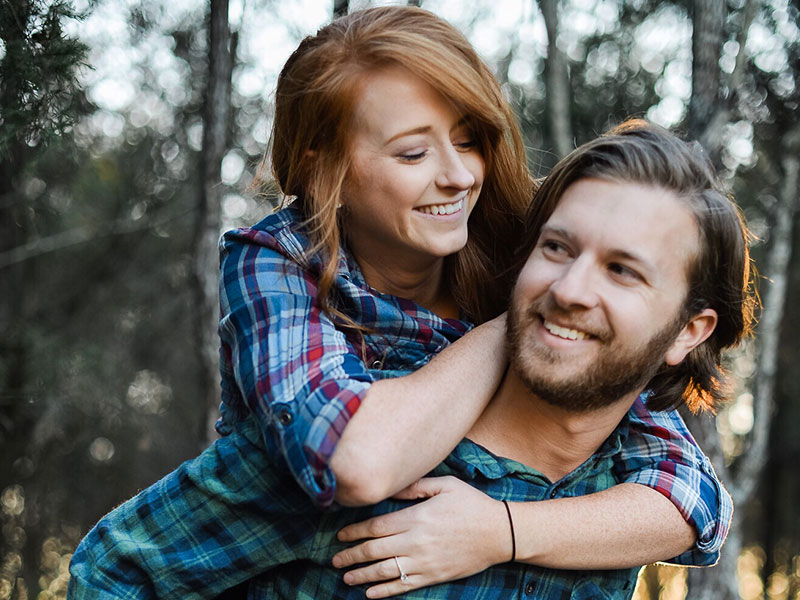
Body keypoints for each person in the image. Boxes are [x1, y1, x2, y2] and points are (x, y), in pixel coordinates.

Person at [67, 7, 735, 599]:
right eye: (413, 151)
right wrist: (524, 321)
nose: (458, 174)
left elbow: (690, 495)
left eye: (470, 138)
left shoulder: (522, 244)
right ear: (325, 166)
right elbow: (351, 461)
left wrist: (499, 530)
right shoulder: (277, 262)